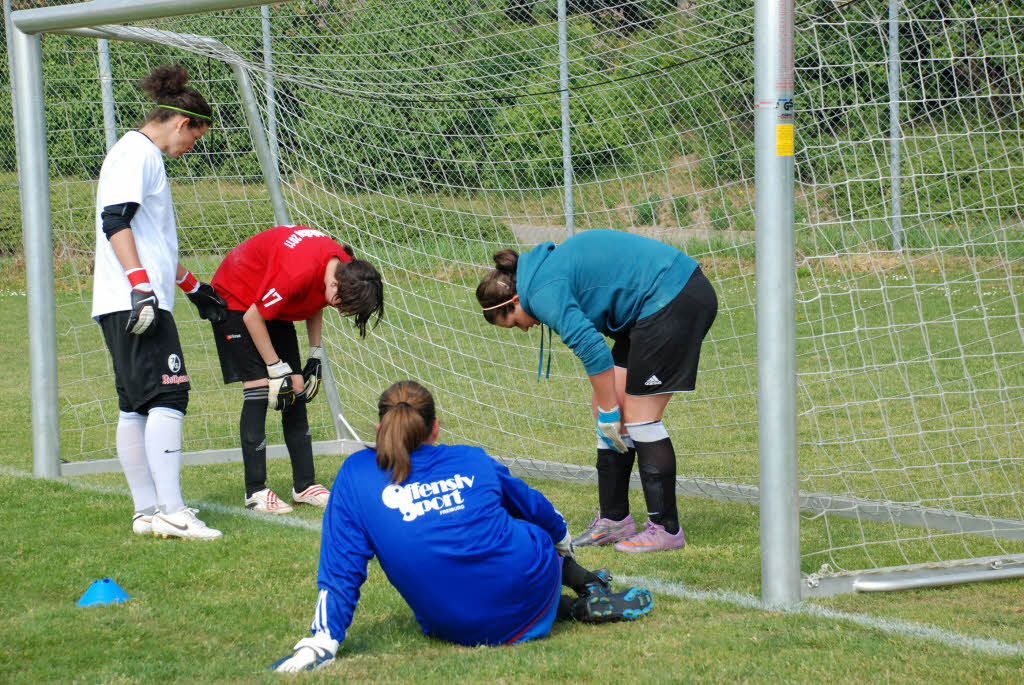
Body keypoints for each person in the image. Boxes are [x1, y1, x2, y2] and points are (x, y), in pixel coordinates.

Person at [270, 380, 652, 673]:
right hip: (529, 584)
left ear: (379, 427)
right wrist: (563, 542)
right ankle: (584, 585)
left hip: (453, 623)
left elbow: (342, 569)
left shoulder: (354, 474)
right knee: (523, 522)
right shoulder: (471, 459)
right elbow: (538, 509)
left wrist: (322, 640)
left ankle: (572, 606)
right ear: (435, 428)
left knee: (481, 542)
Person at [475, 229, 718, 553]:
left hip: (673, 296)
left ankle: (666, 530)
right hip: (650, 305)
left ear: (515, 300)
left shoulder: (542, 291)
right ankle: (614, 520)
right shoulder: (540, 274)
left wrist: (610, 411)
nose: (525, 328)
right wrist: (605, 408)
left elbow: (593, 350)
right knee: (607, 405)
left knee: (638, 417)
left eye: (516, 323)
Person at [91, 64, 227, 541]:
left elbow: (151, 240)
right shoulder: (139, 154)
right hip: (134, 298)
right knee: (169, 394)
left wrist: (192, 287)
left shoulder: (138, 155)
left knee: (135, 405)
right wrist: (141, 286)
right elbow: (115, 222)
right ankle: (172, 509)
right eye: (195, 137)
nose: (192, 147)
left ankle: (147, 512)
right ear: (180, 122)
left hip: (124, 297)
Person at [208, 225, 384, 513]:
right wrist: (275, 367)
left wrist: (314, 355)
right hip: (238, 298)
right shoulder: (296, 274)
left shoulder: (340, 267)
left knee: (296, 387)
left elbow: (316, 297)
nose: (341, 310)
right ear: (337, 285)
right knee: (259, 387)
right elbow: (254, 316)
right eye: (342, 305)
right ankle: (255, 491)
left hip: (270, 299)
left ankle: (304, 485)